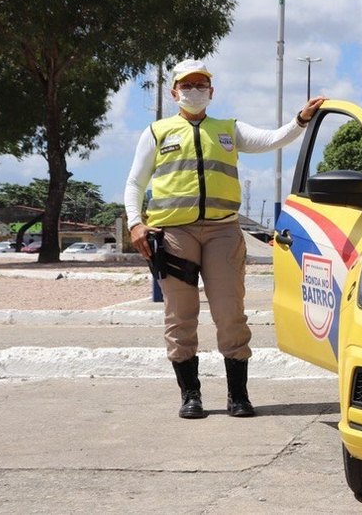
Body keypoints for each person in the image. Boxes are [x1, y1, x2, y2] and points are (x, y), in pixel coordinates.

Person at [124, 59, 325, 419]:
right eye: (187, 86)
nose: (194, 91)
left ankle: (238, 396)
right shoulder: (156, 132)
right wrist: (136, 224)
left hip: (223, 231)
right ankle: (191, 395)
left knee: (230, 313)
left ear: (212, 92)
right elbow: (135, 183)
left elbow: (272, 139)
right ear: (174, 93)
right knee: (180, 317)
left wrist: (300, 120)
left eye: (201, 85)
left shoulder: (228, 129)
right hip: (174, 234)